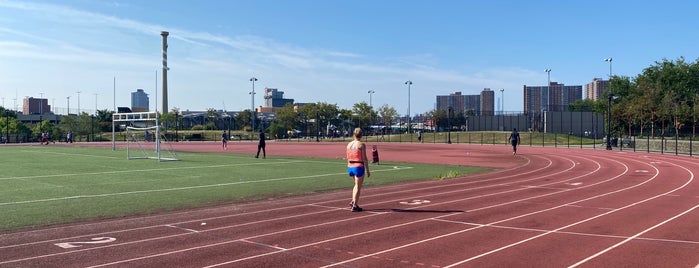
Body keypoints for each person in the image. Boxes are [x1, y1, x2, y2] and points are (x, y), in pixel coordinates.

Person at [346, 128, 370, 212]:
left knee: (355, 185)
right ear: (361, 135)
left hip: (350, 166)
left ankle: (354, 201)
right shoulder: (361, 145)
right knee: (358, 186)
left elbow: (348, 157)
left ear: (353, 135)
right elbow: (365, 158)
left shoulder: (349, 144)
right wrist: (367, 170)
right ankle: (355, 204)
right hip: (358, 166)